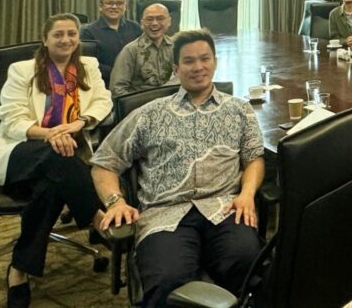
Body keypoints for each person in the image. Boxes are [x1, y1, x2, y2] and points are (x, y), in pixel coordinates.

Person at [91, 29, 264, 308]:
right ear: (176, 68)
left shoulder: (239, 110)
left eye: (205, 59)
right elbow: (104, 162)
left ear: (215, 62)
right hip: (165, 213)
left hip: (224, 208)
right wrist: (115, 202)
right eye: (189, 61)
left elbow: (254, 157)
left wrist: (247, 193)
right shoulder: (150, 113)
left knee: (249, 267)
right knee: (168, 281)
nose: (198, 67)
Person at [0, 13, 112, 308]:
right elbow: (10, 119)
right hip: (24, 151)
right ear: (45, 39)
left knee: (50, 186)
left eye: (72, 34)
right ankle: (96, 217)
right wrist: (48, 135)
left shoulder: (88, 67)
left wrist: (79, 123)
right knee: (57, 153)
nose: (66, 39)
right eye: (58, 34)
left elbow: (103, 101)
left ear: (78, 37)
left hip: (66, 153)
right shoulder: (23, 70)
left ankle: (19, 270)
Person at [109, 2, 176, 97]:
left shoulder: (176, 47)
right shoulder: (131, 50)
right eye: (149, 19)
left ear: (169, 21)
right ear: (142, 23)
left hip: (171, 104)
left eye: (160, 18)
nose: (154, 23)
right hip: (140, 106)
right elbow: (117, 90)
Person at [81, 0, 141, 81]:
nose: (114, 7)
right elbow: (88, 63)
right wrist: (119, 73)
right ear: (101, 6)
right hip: (104, 84)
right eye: (109, 3)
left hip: (135, 84)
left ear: (125, 7)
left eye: (119, 3)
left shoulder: (135, 28)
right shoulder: (88, 31)